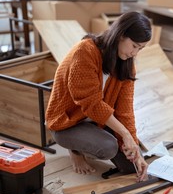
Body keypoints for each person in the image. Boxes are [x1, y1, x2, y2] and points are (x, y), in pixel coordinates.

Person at [45, 11, 151, 181]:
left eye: (140, 48)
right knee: (108, 147)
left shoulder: (126, 66)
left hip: (97, 120)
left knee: (130, 165)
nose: (135, 53)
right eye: (134, 46)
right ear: (120, 35)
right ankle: (75, 151)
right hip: (68, 122)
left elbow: (125, 111)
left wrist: (134, 146)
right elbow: (91, 103)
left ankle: (96, 139)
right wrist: (124, 134)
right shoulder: (85, 51)